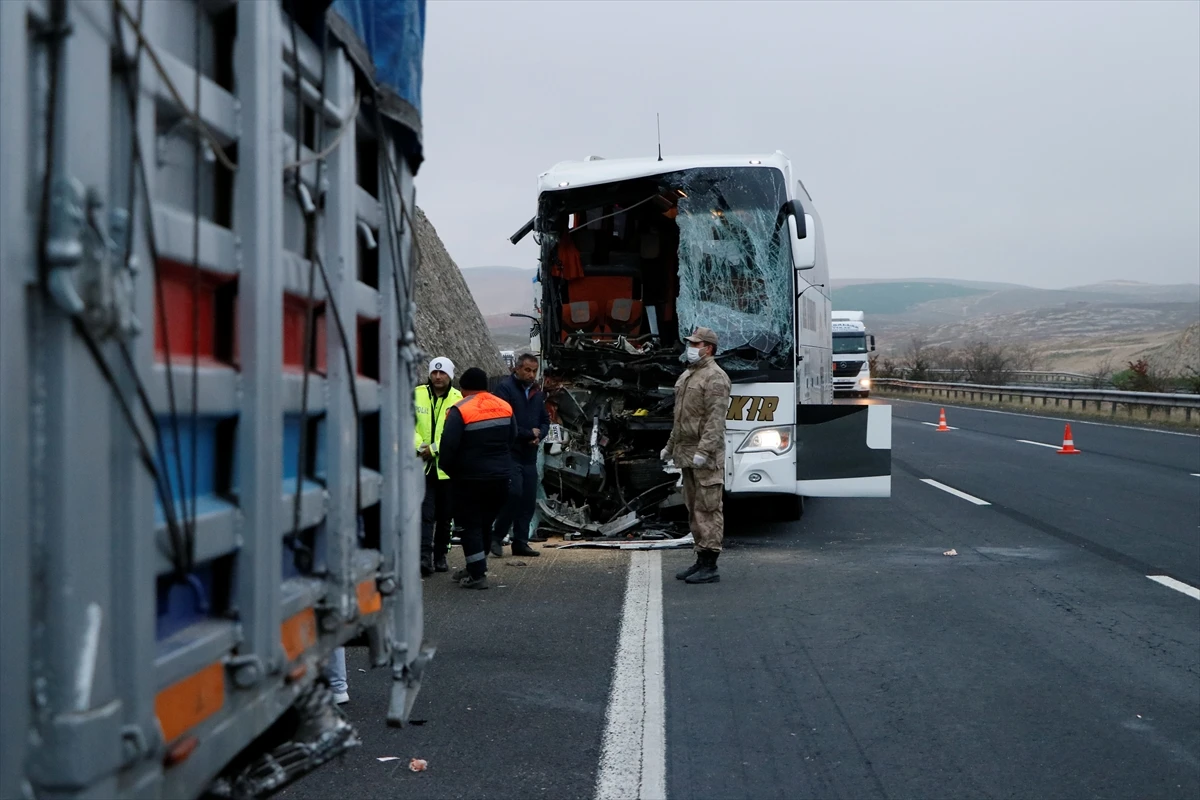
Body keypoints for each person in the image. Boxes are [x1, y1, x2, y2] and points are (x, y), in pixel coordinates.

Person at [662, 327, 731, 584]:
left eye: (696, 343)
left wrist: (704, 451)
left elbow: (715, 420)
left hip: (706, 456)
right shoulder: (688, 376)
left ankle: (710, 563)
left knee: (709, 508)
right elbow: (681, 419)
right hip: (686, 453)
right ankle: (700, 558)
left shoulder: (715, 377)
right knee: (693, 508)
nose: (691, 347)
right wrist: (670, 446)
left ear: (708, 348)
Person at [437, 367, 516, 590]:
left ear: (462, 388)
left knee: (469, 524)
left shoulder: (459, 409)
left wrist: (449, 471)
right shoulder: (505, 406)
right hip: (500, 478)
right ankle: (475, 565)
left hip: (469, 479)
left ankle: (477, 574)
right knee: (484, 522)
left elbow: (448, 446)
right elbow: (511, 439)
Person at [491, 353, 549, 558]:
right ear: (517, 369)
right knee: (514, 494)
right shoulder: (505, 389)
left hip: (530, 454)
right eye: (527, 370)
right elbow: (505, 420)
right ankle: (497, 536)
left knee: (527, 499)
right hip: (511, 452)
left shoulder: (536, 393)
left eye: (534, 371)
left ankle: (521, 542)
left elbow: (544, 419)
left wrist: (539, 434)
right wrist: (527, 434)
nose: (531, 374)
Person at [415, 356, 463, 576]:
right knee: (425, 514)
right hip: (422, 467)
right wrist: (419, 447)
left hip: (446, 467)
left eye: (442, 373)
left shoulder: (457, 398)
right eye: (434, 372)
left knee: (445, 516)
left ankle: (441, 555)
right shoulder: (417, 394)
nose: (437, 377)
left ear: (450, 375)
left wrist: (432, 449)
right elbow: (407, 424)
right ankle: (424, 557)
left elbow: (454, 433)